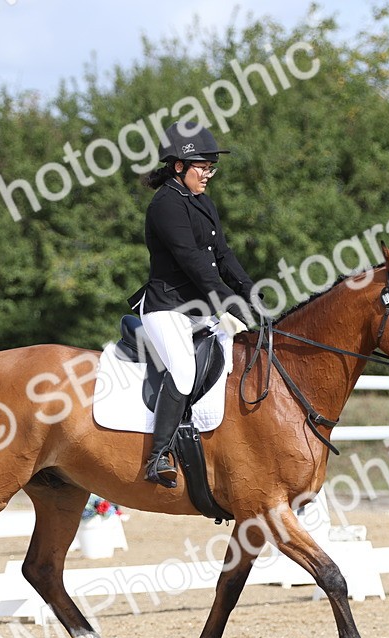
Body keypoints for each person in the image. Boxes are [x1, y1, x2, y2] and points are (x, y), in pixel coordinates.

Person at [127, 121, 258, 488]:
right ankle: (158, 457)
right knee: (183, 370)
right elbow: (192, 261)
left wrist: (250, 292)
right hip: (166, 308)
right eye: (203, 167)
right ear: (180, 166)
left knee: (241, 356)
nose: (209, 175)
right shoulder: (165, 205)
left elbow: (222, 254)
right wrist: (227, 301)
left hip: (199, 310)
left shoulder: (202, 202)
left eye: (211, 168)